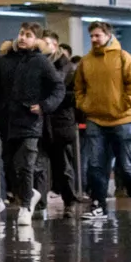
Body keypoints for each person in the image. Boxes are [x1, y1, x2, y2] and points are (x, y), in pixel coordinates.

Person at [0, 22, 64, 226]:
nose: (22, 38)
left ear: (36, 40)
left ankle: (26, 206)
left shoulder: (41, 61)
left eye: (28, 35)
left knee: (26, 164)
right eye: (21, 33)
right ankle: (29, 193)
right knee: (9, 165)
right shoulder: (4, 61)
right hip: (7, 121)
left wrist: (44, 106)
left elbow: (58, 88)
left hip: (30, 121)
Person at [73, 20, 131, 221]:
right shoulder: (86, 62)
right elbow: (78, 88)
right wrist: (84, 105)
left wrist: (123, 105)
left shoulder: (123, 57)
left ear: (108, 35)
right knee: (95, 165)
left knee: (126, 165)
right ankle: (98, 205)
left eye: (98, 35)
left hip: (122, 119)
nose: (94, 40)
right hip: (95, 119)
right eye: (92, 36)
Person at [41, 29, 81, 217]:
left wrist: (52, 100)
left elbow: (73, 96)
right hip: (41, 121)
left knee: (62, 165)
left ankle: (69, 199)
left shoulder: (67, 68)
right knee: (38, 165)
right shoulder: (37, 65)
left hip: (60, 122)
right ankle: (39, 202)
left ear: (55, 45)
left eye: (45, 43)